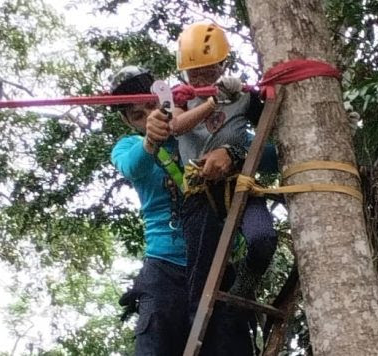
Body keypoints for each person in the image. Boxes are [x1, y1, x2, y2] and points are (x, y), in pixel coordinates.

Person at [109, 66, 239, 355]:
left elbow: (266, 154)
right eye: (137, 116)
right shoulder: (128, 146)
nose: (147, 117)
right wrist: (151, 140)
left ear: (164, 97)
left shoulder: (200, 129)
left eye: (151, 106)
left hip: (217, 262)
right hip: (164, 268)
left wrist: (231, 153)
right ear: (127, 122)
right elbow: (132, 166)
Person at [173, 22, 279, 355]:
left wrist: (258, 96)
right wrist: (213, 100)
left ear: (222, 64)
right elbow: (176, 126)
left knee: (263, 239)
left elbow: (271, 130)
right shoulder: (179, 96)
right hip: (199, 195)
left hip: (240, 185)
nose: (200, 79)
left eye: (208, 71)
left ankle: (243, 292)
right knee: (201, 280)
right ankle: (201, 344)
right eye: (194, 73)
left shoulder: (243, 96)